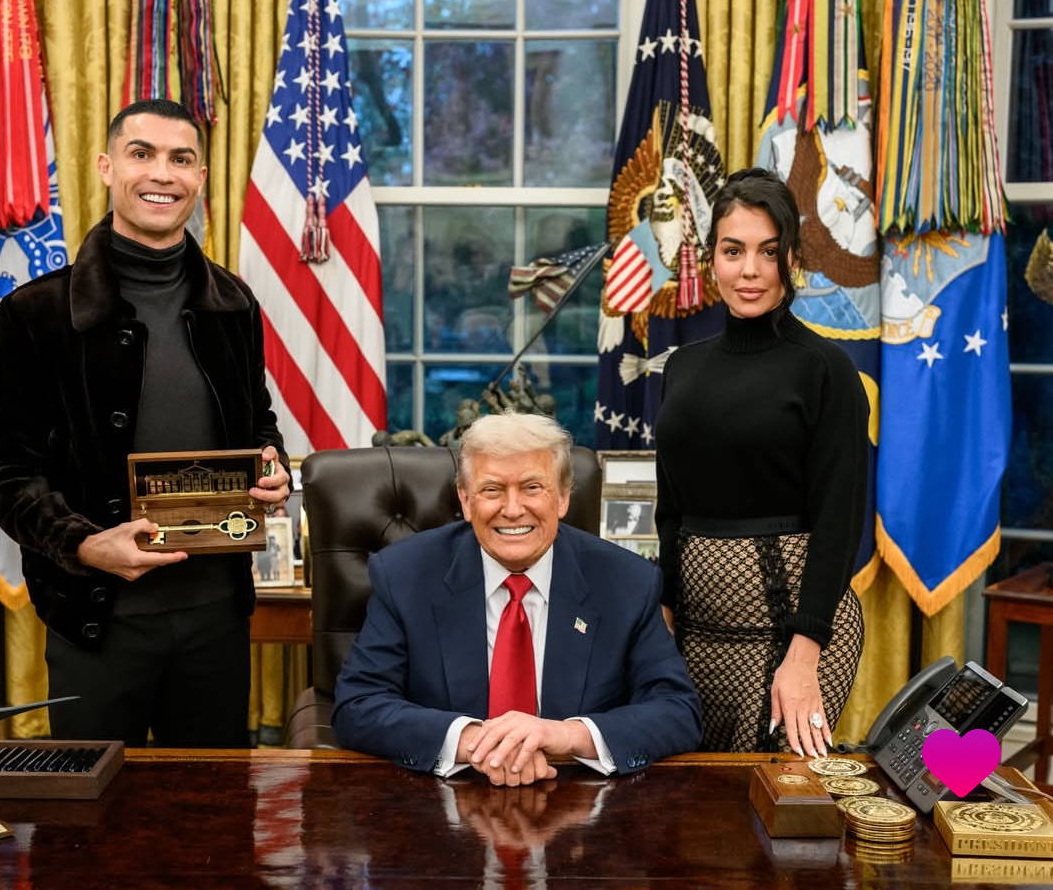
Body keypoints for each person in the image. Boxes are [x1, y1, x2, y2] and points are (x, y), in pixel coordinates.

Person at [0, 98, 291, 748]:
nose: (162, 174)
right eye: (142, 154)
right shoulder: (36, 314)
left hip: (216, 620)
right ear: (107, 167)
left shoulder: (233, 304)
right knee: (95, 807)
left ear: (200, 177)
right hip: (94, 618)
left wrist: (270, 463)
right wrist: (83, 545)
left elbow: (257, 421)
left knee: (210, 805)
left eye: (181, 159)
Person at [332, 412, 702, 785]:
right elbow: (358, 703)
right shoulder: (405, 575)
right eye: (492, 490)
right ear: (465, 499)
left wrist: (565, 735)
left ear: (562, 497)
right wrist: (473, 741)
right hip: (443, 795)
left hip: (578, 799)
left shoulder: (626, 582)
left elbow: (677, 711)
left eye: (532, 487)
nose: (512, 510)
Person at [654, 167, 869, 760]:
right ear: (711, 259)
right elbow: (670, 511)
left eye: (768, 252)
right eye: (734, 251)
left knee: (769, 800)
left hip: (796, 636)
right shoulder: (681, 368)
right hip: (691, 635)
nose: (749, 270)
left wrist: (805, 652)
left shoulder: (825, 368)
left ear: (792, 259)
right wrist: (662, 617)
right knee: (686, 802)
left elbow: (840, 520)